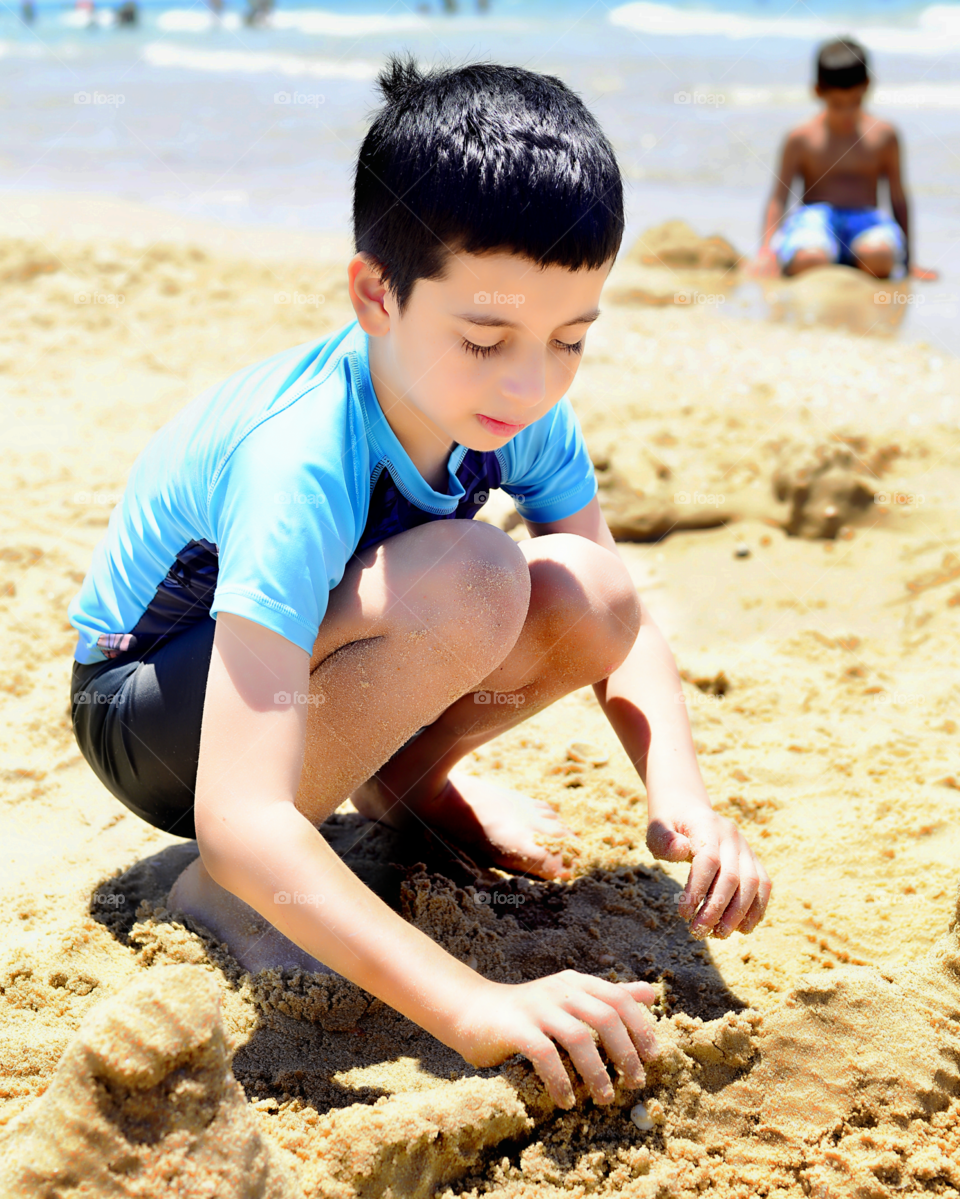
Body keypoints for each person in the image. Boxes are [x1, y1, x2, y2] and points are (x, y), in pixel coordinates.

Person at [68, 58, 771, 1109]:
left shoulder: (519, 404)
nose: (529, 382)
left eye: (570, 338)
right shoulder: (300, 454)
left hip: (307, 665)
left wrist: (684, 804)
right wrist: (474, 1002)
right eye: (485, 338)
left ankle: (395, 779)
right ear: (375, 294)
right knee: (475, 572)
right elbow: (234, 806)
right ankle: (222, 901)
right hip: (155, 709)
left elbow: (614, 618)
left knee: (592, 590)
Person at [757, 38, 934, 281]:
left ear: (868, 87)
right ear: (818, 92)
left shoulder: (884, 136)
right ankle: (826, 257)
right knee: (810, 261)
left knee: (879, 259)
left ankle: (851, 259)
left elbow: (898, 197)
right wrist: (766, 252)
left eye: (855, 102)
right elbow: (778, 198)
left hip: (866, 221)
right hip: (815, 221)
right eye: (838, 104)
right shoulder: (800, 138)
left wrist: (909, 261)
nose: (847, 113)